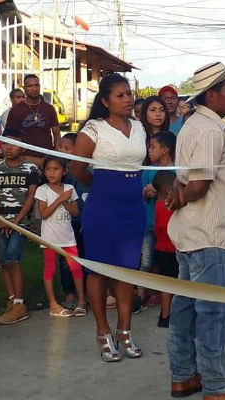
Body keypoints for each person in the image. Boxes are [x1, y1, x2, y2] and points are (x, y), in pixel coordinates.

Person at [165, 61, 225, 400]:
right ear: (212, 94)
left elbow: (186, 180)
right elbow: (200, 184)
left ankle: (184, 376)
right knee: (213, 314)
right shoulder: (208, 129)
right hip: (211, 235)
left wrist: (179, 195)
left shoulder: (192, 125)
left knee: (187, 309)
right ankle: (218, 388)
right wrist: (181, 197)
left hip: (193, 234)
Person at [71, 73, 148, 363]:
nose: (128, 99)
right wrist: (98, 188)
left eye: (129, 94)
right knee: (99, 269)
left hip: (133, 206)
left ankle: (124, 331)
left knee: (128, 269)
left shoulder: (139, 127)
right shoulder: (94, 128)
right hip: (103, 206)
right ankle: (102, 332)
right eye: (120, 95)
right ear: (105, 101)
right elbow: (77, 168)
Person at [0, 128, 40, 324]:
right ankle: (11, 299)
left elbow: (30, 197)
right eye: (4, 143)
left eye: (14, 144)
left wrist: (16, 221)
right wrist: (1, 220)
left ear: (22, 146)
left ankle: (19, 303)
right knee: (3, 260)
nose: (8, 148)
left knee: (13, 259)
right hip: (0, 222)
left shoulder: (30, 170)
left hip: (21, 223)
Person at [35, 156, 87, 318]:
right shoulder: (42, 190)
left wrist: (65, 200)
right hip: (50, 239)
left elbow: (76, 212)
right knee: (50, 269)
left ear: (64, 172)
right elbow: (43, 214)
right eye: (48, 169)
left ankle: (81, 302)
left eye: (56, 169)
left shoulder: (69, 188)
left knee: (76, 269)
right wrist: (59, 199)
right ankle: (53, 304)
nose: (51, 172)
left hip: (68, 237)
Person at [134, 130, 176, 314]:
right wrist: (146, 192)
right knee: (145, 261)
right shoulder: (149, 171)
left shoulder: (178, 170)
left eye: (153, 147)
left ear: (165, 150)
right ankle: (140, 295)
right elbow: (140, 196)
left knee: (168, 264)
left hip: (171, 228)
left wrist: (162, 192)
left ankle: (170, 301)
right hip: (149, 224)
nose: (148, 150)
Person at [57, 133, 90, 310]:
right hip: (65, 223)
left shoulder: (88, 172)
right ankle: (69, 291)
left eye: (67, 148)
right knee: (66, 259)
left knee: (85, 256)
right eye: (60, 147)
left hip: (85, 222)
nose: (62, 151)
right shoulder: (58, 173)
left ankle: (85, 292)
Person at [5, 74, 61, 168]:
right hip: (25, 158)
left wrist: (56, 155)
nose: (34, 89)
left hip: (46, 157)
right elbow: (9, 136)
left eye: (36, 85)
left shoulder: (49, 108)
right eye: (30, 86)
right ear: (24, 88)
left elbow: (56, 132)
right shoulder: (16, 110)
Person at [152, 170, 179, 328]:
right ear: (169, 189)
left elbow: (157, 229)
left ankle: (165, 314)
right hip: (173, 249)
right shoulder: (171, 208)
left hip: (161, 248)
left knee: (165, 284)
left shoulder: (157, 206)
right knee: (176, 283)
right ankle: (172, 314)